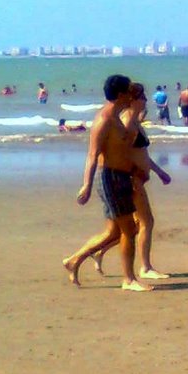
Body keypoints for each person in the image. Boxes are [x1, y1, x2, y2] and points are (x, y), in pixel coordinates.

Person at [62, 74, 150, 292]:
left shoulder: (116, 117)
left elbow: (122, 149)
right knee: (129, 230)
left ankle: (74, 260)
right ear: (121, 94)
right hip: (110, 178)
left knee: (113, 232)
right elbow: (93, 155)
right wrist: (86, 186)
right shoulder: (104, 120)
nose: (133, 94)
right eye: (129, 91)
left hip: (119, 177)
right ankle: (128, 279)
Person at [91, 83, 171, 281]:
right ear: (133, 99)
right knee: (144, 223)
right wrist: (132, 174)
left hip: (138, 179)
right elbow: (121, 152)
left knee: (133, 226)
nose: (145, 100)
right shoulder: (127, 121)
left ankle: (99, 253)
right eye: (142, 97)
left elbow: (141, 154)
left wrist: (159, 172)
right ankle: (144, 267)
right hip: (131, 179)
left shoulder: (136, 121)